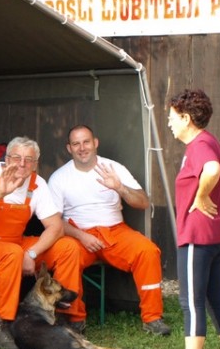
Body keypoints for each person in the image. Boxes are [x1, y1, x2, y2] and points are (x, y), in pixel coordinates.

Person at [0, 136, 84, 349]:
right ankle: (2, 326)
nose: (22, 164)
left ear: (36, 163)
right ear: (7, 159)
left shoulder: (37, 183)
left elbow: (55, 226)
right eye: (16, 158)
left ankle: (66, 317)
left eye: (29, 159)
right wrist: (0, 193)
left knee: (67, 247)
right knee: (12, 253)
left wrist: (32, 253)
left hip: (13, 245)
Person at [154, 89, 220, 349]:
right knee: (213, 297)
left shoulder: (199, 146)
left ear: (187, 118)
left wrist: (203, 194)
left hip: (198, 236)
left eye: (172, 117)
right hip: (215, 233)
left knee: (190, 302)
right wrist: (212, 191)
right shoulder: (208, 141)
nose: (169, 123)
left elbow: (216, 168)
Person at [48, 125, 171, 336]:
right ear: (69, 148)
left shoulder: (114, 168)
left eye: (86, 142)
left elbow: (142, 202)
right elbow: (54, 220)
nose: (82, 148)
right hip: (77, 234)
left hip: (114, 231)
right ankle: (74, 320)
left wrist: (119, 188)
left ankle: (152, 318)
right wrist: (81, 236)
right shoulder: (59, 177)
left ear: (95, 143)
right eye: (76, 144)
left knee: (147, 251)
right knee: (66, 254)